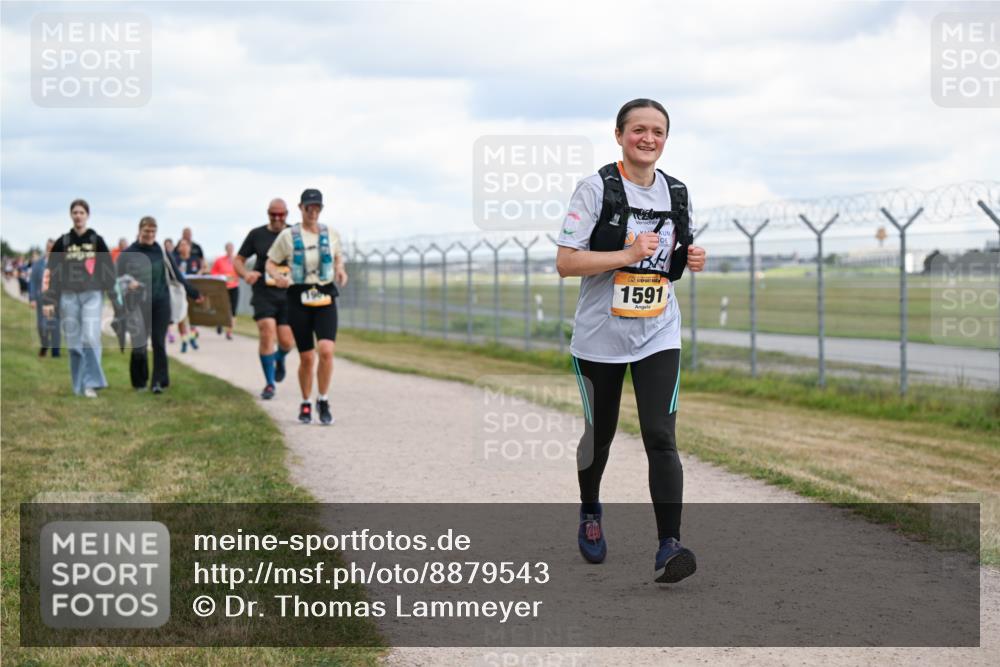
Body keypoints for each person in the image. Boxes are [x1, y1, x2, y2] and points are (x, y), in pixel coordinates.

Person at [555, 99, 706, 583]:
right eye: (638, 129)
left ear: (666, 139)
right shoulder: (595, 189)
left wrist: (690, 258)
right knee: (600, 435)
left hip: (658, 331)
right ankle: (590, 510)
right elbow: (566, 262)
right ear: (619, 135)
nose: (648, 139)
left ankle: (669, 546)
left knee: (661, 436)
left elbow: (669, 261)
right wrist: (625, 253)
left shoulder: (676, 192)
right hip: (600, 336)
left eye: (657, 131)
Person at [265, 189, 348, 424]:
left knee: (326, 351)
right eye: (308, 207)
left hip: (324, 296)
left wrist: (340, 270)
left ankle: (323, 399)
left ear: (321, 209)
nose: (313, 212)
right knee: (307, 357)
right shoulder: (288, 236)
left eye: (317, 207)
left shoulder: (330, 233)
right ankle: (305, 402)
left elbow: (338, 256)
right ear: (300, 208)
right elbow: (270, 263)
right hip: (298, 298)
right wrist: (278, 277)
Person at [116, 216, 202, 394]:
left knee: (159, 342)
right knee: (139, 344)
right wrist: (128, 283)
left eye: (153, 231)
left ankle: (158, 382)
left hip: (161, 301)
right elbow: (116, 277)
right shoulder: (129, 253)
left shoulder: (162, 252)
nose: (150, 234)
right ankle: (139, 382)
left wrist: (194, 293)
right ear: (140, 231)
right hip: (137, 304)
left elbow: (177, 275)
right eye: (147, 231)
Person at [42, 199, 116, 397]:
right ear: (71, 215)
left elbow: (108, 270)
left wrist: (115, 299)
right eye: (75, 212)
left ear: (87, 215)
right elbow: (51, 272)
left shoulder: (96, 241)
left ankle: (92, 383)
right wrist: (49, 301)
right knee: (74, 345)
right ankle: (78, 387)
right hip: (68, 297)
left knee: (90, 338)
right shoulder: (63, 242)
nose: (78, 216)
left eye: (81, 212)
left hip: (92, 295)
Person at [235, 198, 295, 400]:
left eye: (281, 214)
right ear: (268, 213)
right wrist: (246, 274)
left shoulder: (294, 234)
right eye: (273, 214)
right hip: (263, 292)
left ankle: (279, 358)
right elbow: (238, 260)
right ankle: (270, 384)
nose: (277, 218)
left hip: (288, 294)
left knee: (287, 342)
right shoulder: (257, 234)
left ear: (287, 214)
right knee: (267, 331)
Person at [29, 241, 61, 357]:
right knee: (41, 325)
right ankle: (45, 344)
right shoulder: (39, 264)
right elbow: (33, 281)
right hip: (41, 298)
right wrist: (32, 298)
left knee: (53, 324)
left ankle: (55, 351)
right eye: (49, 248)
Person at [174, 238, 204, 352]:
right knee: (181, 317)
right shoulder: (175, 260)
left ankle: (192, 337)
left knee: (193, 317)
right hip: (180, 292)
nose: (184, 247)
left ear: (190, 247)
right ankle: (184, 341)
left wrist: (201, 272)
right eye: (181, 245)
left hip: (193, 292)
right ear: (178, 248)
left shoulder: (195, 259)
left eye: (186, 245)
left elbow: (204, 268)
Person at [210, 242, 240, 340]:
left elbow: (241, 271)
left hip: (234, 286)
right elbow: (213, 272)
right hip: (223, 287)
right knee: (221, 307)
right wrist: (222, 276)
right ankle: (220, 323)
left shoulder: (237, 260)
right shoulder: (219, 260)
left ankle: (229, 332)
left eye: (231, 248)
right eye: (228, 248)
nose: (230, 250)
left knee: (233, 310)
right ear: (226, 249)